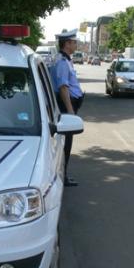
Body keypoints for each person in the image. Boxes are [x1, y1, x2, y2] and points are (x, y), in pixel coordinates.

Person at [52, 29, 84, 187]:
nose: (76, 45)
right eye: (74, 42)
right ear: (67, 44)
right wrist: (70, 111)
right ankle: (62, 176)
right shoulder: (62, 62)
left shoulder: (65, 60)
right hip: (66, 106)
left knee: (66, 142)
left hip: (68, 104)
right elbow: (63, 88)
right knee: (65, 143)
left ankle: (63, 174)